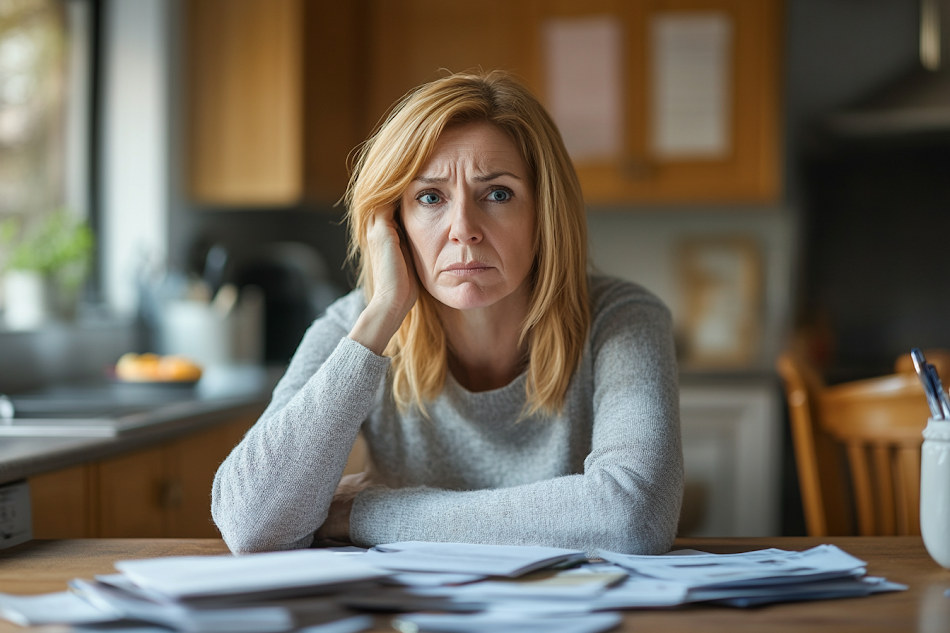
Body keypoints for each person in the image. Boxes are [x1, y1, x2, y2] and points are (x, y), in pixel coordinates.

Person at [212, 70, 683, 556]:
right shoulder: (355, 326)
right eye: (429, 197)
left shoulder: (623, 319)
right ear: (392, 223)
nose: (463, 229)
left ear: (545, 213)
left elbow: (633, 516)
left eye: (497, 194)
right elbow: (250, 524)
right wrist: (382, 313)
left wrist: (361, 513)